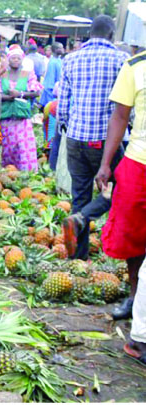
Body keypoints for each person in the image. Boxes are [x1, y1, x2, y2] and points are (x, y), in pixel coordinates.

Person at [58, 16, 128, 269]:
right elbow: (124, 107)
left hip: (76, 136)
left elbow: (63, 104)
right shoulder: (121, 60)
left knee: (80, 194)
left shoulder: (70, 59)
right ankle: (83, 218)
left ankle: (79, 258)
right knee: (120, 189)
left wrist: (66, 127)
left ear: (90, 33)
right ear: (111, 34)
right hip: (104, 140)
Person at [96, 49, 146, 325]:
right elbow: (119, 116)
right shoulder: (135, 66)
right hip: (139, 162)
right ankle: (136, 295)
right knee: (132, 237)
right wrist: (105, 164)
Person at [0, 45, 42, 172]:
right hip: (7, 118)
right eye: (13, 58)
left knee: (24, 148)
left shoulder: (27, 74)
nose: (16, 60)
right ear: (8, 60)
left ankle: (27, 173)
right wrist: (8, 97)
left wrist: (20, 94)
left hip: (22, 119)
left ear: (22, 60)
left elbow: (36, 92)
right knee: (9, 149)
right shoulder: (3, 75)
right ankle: (10, 173)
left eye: (18, 58)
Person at [40, 42, 64, 106]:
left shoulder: (59, 60)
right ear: (55, 50)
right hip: (51, 96)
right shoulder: (52, 62)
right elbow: (49, 83)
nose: (62, 49)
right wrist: (51, 102)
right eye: (60, 48)